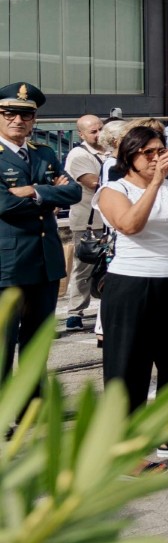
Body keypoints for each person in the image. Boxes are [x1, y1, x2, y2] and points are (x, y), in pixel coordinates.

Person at [97, 124, 168, 464]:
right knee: (128, 368)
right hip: (132, 284)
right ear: (129, 157)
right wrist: (156, 182)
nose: (157, 158)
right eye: (148, 153)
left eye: (161, 151)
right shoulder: (113, 190)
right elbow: (130, 225)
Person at [0, 83, 79, 376]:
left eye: (25, 115)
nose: (17, 121)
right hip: (9, 263)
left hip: (45, 261)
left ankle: (34, 402)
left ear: (34, 120)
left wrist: (32, 190)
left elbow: (73, 193)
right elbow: (4, 205)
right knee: (3, 342)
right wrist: (48, 195)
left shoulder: (44, 153)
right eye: (9, 113)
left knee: (37, 341)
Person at [59, 114, 107, 331]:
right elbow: (92, 182)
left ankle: (107, 307)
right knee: (84, 266)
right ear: (81, 134)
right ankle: (75, 312)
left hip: (110, 218)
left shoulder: (110, 151)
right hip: (89, 220)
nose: (98, 134)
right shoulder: (78, 155)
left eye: (100, 129)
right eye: (93, 131)